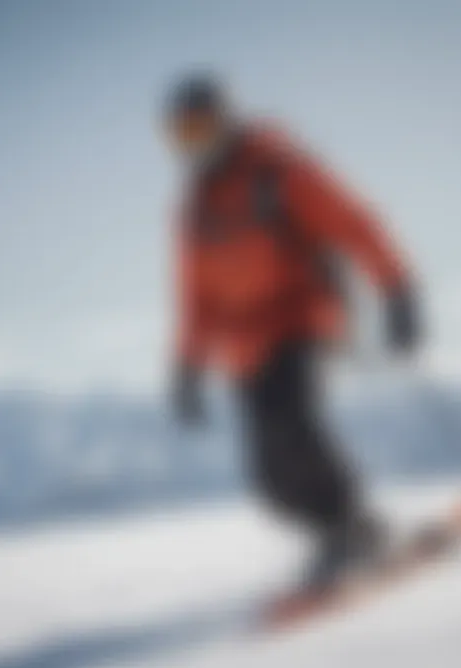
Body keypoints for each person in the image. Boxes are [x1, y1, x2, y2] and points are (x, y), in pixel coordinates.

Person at [163, 73, 422, 596]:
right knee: (269, 479)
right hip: (245, 346)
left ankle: (353, 525)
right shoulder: (195, 212)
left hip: (303, 316)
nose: (193, 144)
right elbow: (196, 300)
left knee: (291, 422)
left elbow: (355, 224)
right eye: (181, 134)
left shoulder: (279, 172)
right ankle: (337, 532)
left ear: (226, 121)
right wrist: (187, 367)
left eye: (201, 128)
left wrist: (397, 290)